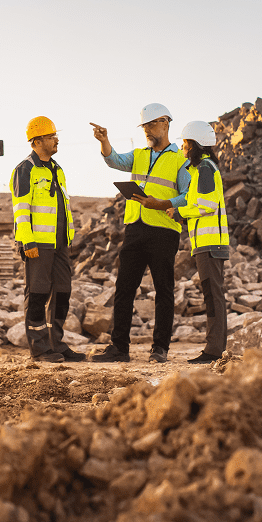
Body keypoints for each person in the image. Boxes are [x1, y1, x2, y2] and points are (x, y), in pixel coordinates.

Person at [90, 103, 190, 363]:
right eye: (144, 126)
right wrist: (104, 141)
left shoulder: (180, 160)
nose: (146, 130)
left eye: (151, 124)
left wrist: (164, 204)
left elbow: (187, 195)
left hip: (164, 231)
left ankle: (160, 349)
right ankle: (119, 348)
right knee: (123, 288)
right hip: (135, 228)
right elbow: (114, 161)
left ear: (165, 124)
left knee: (163, 291)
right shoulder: (139, 154)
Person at [10, 116, 85, 363]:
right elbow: (21, 208)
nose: (56, 140)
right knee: (38, 293)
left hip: (60, 244)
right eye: (52, 136)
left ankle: (57, 343)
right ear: (38, 140)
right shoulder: (25, 169)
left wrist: (68, 238)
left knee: (63, 292)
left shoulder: (57, 169)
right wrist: (27, 240)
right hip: (37, 244)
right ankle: (40, 349)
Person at [168, 120, 229, 364]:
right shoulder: (202, 169)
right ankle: (214, 348)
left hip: (211, 244)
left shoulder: (205, 168)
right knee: (212, 296)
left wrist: (182, 213)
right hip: (207, 244)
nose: (182, 149)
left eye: (184, 144)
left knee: (213, 297)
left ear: (194, 144)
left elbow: (206, 205)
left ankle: (214, 351)